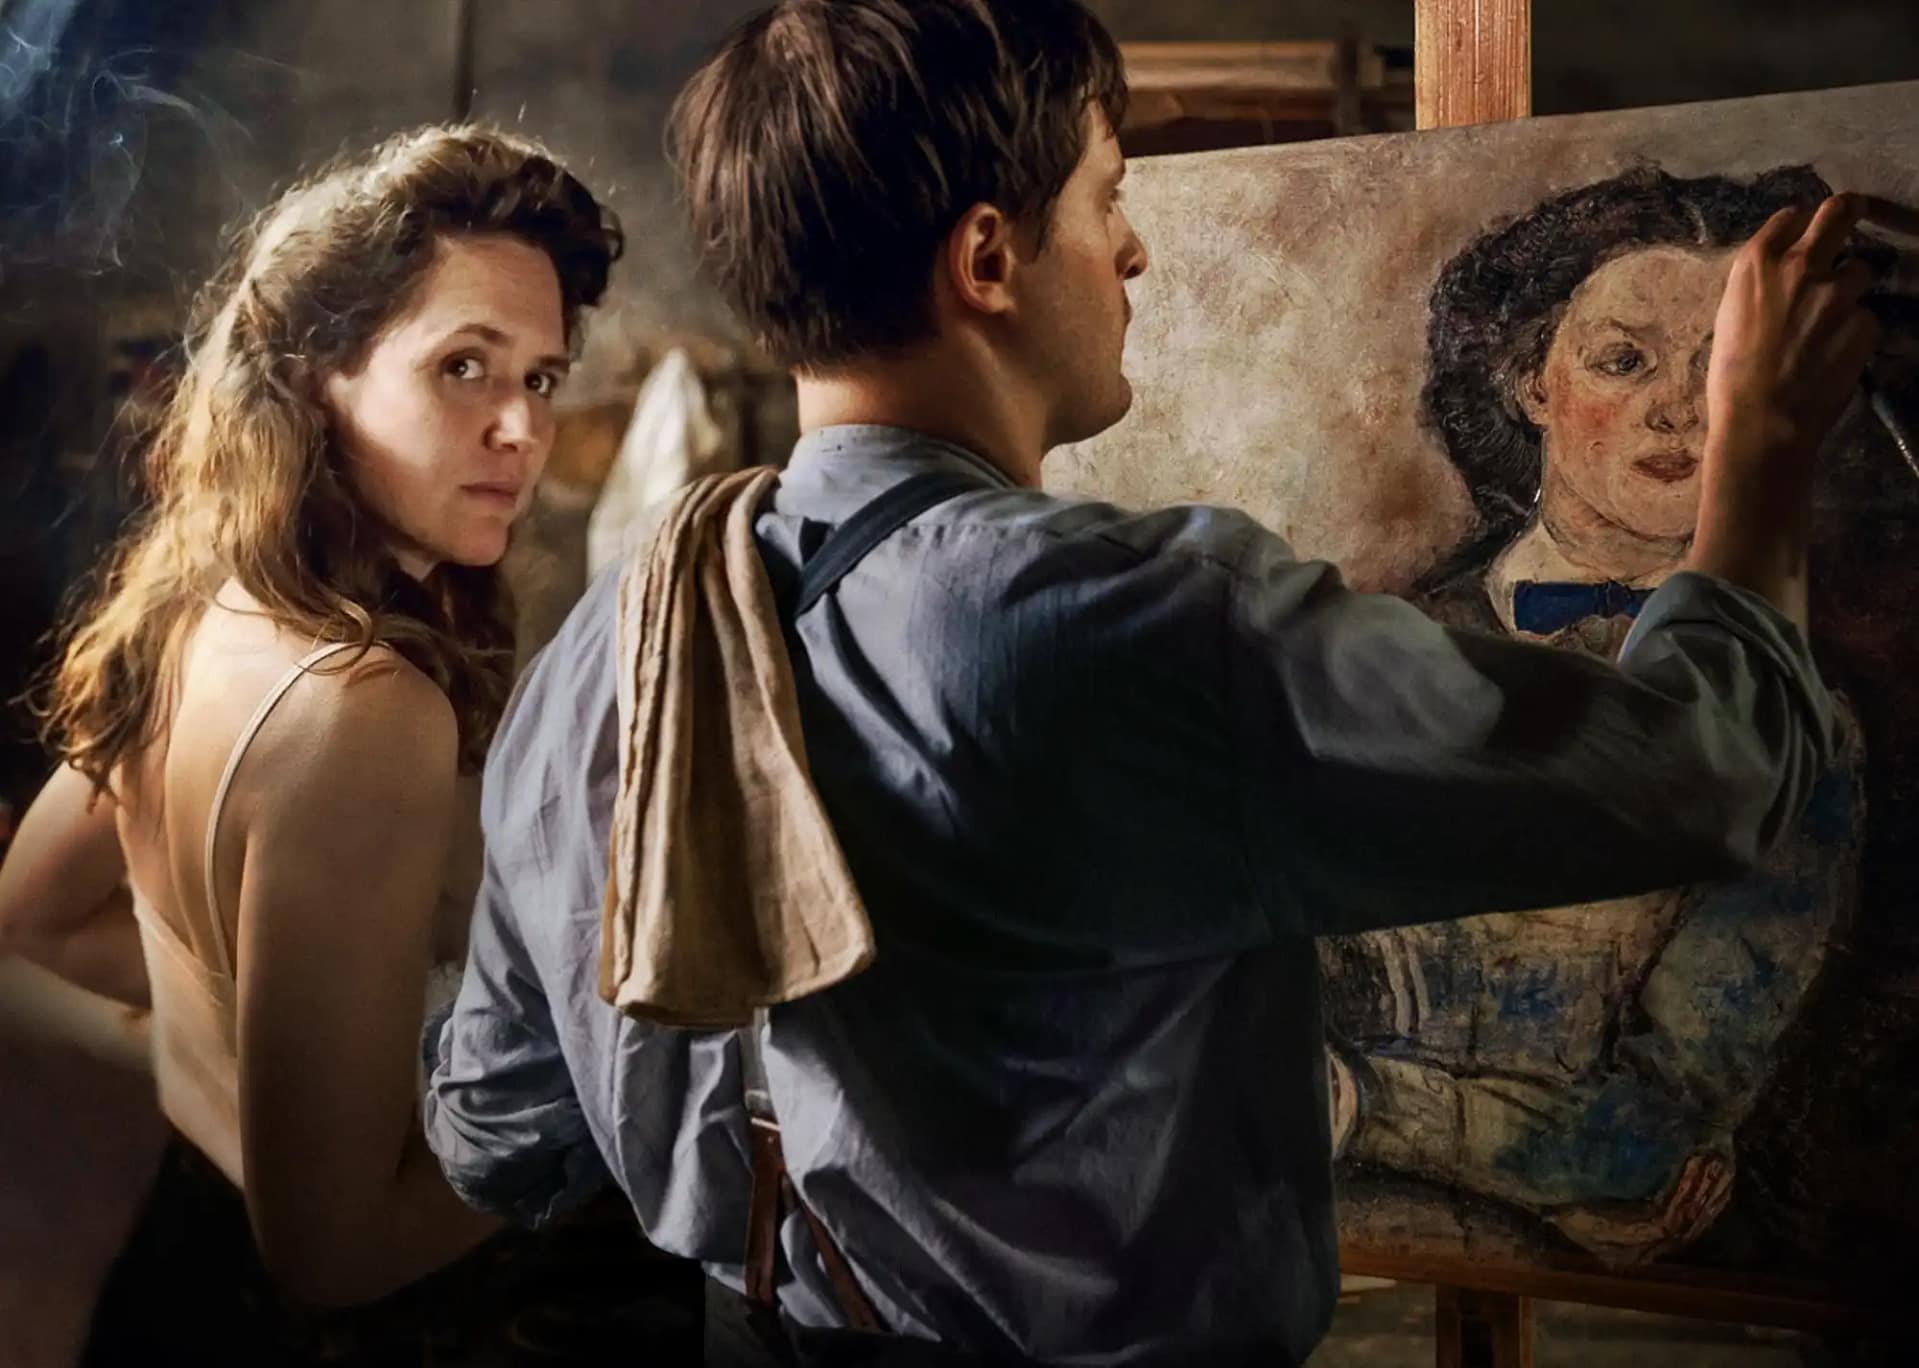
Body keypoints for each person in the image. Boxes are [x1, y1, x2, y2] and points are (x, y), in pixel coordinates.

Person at [422, 2, 1894, 1362]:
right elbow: (1711, 767)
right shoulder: (1133, 626)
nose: (1129, 253)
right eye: (1105, 199)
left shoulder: (602, 653)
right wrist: (1758, 453)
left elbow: (498, 1137)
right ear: (986, 261)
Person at [0, 123, 687, 1361]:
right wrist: (606, 1105)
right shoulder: (364, 707)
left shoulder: (200, 605)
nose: (521, 428)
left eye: (539, 377)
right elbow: (331, 1252)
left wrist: (206, 1053)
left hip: (179, 1264)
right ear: (322, 373)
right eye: (463, 366)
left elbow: (32, 917)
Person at [1320, 165, 1873, 1263]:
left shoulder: (1804, 731)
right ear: (1530, 379)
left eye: (1722, 366)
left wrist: (1351, 1103)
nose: (1678, 408)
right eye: (1624, 361)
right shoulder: (1361, 654)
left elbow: (1651, 1137)